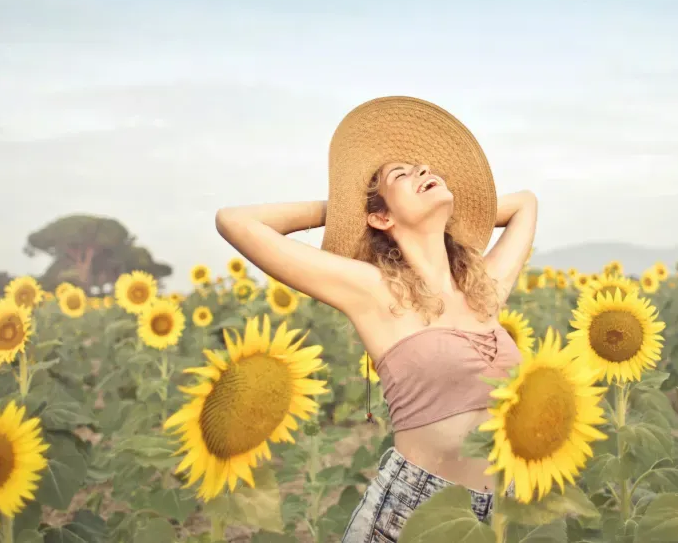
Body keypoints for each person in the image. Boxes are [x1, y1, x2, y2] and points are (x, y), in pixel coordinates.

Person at [215, 96, 538, 542]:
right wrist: (343, 212)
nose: (425, 172)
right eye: (402, 174)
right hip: (413, 510)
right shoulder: (373, 290)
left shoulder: (482, 290)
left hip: (499, 512)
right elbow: (236, 221)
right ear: (380, 215)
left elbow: (526, 204)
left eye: (427, 169)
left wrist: (456, 205)